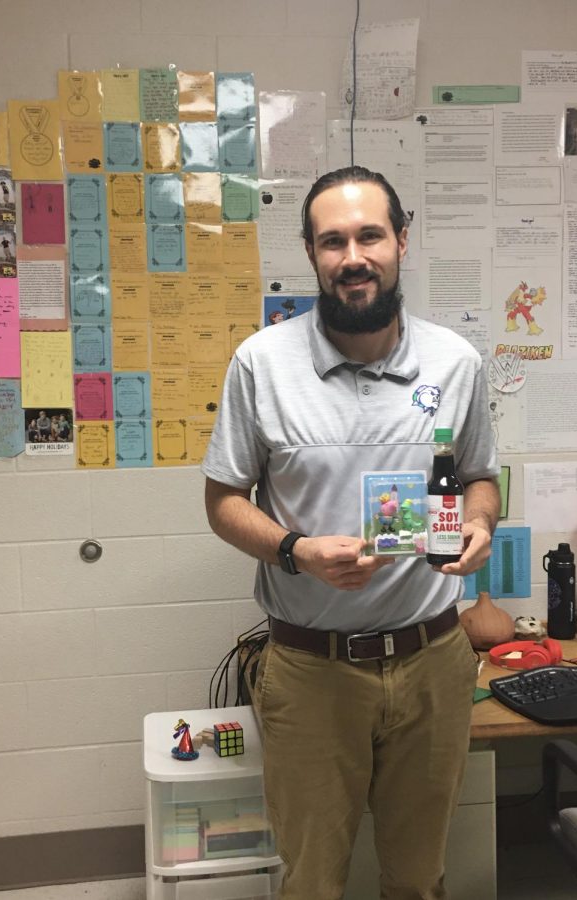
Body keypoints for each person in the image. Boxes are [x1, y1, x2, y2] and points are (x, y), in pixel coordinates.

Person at [202, 165, 500, 900]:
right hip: (311, 672)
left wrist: (483, 522)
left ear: (401, 241)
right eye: (332, 241)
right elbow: (221, 501)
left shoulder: (455, 363)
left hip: (433, 661)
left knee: (418, 878)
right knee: (310, 883)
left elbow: (481, 477)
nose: (353, 256)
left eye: (370, 235)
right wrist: (295, 550)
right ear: (311, 254)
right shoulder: (261, 364)